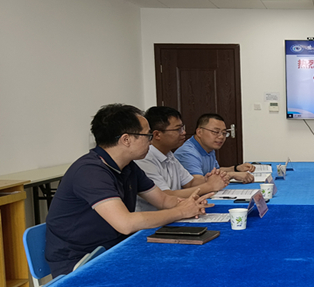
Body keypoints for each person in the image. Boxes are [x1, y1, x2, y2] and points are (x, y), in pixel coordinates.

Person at [45, 104, 211, 276]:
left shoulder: (128, 166)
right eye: (147, 135)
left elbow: (162, 200)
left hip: (115, 248)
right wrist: (181, 212)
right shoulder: (90, 171)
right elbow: (125, 224)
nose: (150, 141)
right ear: (126, 140)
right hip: (81, 260)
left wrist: (190, 204)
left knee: (185, 263)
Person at [135, 107, 230, 211]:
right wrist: (209, 186)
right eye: (178, 129)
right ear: (157, 134)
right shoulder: (144, 158)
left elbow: (189, 182)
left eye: (182, 128)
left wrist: (209, 179)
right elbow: (165, 196)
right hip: (155, 217)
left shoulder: (168, 154)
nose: (184, 132)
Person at [174, 113, 254, 182]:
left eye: (224, 133)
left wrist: (236, 168)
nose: (221, 137)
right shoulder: (187, 153)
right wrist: (231, 175)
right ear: (199, 132)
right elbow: (196, 181)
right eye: (216, 132)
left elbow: (215, 171)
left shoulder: (208, 148)